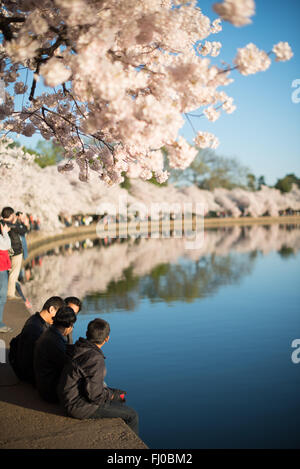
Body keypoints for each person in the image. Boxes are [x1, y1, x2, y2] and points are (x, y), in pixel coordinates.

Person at [57, 318, 139, 435]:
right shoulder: (95, 359)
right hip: (78, 407)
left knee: (115, 398)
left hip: (66, 397)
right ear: (107, 339)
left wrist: (111, 393)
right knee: (132, 415)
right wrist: (111, 395)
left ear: (86, 334)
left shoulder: (78, 347)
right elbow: (95, 396)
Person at [9, 296, 65, 383]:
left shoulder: (35, 319)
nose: (58, 319)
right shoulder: (36, 329)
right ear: (51, 309)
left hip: (23, 368)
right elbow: (30, 359)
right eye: (58, 315)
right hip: (27, 374)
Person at [34, 306, 77, 403]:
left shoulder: (50, 333)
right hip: (50, 392)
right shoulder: (55, 341)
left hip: (43, 384)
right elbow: (66, 367)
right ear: (69, 325)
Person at [1, 207, 28, 299]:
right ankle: (10, 293)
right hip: (15, 251)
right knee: (14, 272)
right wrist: (23, 222)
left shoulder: (2, 223)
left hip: (8, 251)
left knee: (9, 271)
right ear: (11, 215)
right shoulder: (10, 225)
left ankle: (9, 290)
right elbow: (23, 230)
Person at [0, 222, 12, 333]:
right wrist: (5, 232)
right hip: (1, 269)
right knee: (2, 297)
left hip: (3, 268)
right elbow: (6, 245)